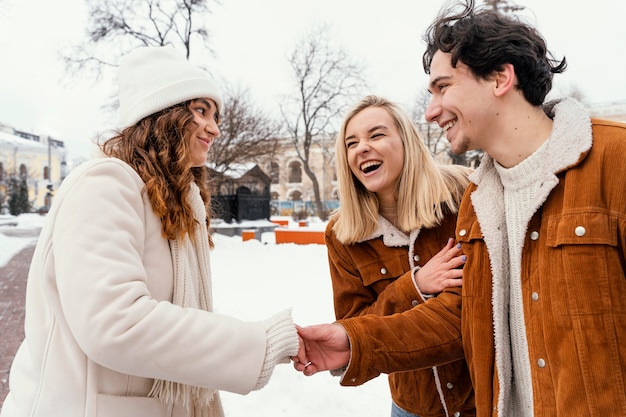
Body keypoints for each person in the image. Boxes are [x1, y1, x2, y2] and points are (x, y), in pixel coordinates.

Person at [294, 1, 626, 416]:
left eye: (443, 87)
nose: (431, 111)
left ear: (501, 77)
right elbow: (463, 316)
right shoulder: (480, 199)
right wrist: (354, 341)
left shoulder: (615, 161)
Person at [0, 45, 302, 417]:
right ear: (164, 114)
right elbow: (114, 321)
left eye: (216, 115)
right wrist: (262, 344)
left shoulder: (175, 201)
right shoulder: (105, 184)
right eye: (201, 111)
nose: (215, 127)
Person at [324, 95, 474, 417]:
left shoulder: (462, 194)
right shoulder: (343, 234)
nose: (361, 148)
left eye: (376, 135)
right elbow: (353, 325)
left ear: (406, 141)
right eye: (351, 143)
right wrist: (414, 285)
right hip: (412, 408)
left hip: (483, 401)